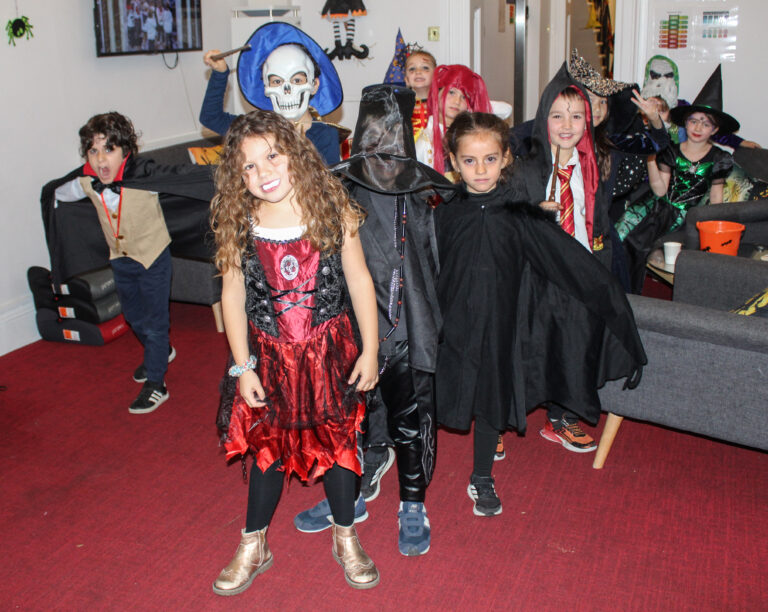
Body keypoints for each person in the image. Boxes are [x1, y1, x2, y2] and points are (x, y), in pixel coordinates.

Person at [435, 111, 646, 516]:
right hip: (451, 325)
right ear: (453, 161)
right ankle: (413, 478)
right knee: (437, 394)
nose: (481, 170)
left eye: (491, 159)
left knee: (491, 398)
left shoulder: (520, 216)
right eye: (470, 161)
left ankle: (481, 476)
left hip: (500, 326)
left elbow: (569, 264)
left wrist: (612, 303)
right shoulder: (443, 213)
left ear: (506, 159)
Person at [211, 110, 380, 594]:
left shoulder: (331, 204)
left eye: (272, 156)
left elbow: (359, 279)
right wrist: (242, 364)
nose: (262, 173)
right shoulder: (238, 217)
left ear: (295, 154)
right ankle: (254, 541)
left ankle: (345, 535)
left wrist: (369, 349)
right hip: (267, 355)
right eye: (247, 166)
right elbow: (233, 294)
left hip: (328, 351)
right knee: (266, 446)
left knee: (338, 444)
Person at [293, 84, 451, 556]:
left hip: (404, 327)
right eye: (373, 131)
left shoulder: (423, 193)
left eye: (391, 132)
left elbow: (436, 262)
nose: (381, 142)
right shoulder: (338, 188)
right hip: (348, 327)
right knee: (349, 421)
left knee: (409, 420)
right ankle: (352, 496)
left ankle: (413, 504)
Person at [50, 112, 214, 414]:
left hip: (153, 258)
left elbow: (183, 177)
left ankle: (156, 383)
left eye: (109, 149)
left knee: (154, 323)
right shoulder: (87, 182)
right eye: (94, 150)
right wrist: (51, 198)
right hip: (120, 259)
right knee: (132, 315)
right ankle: (162, 352)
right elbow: (58, 193)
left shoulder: (145, 177)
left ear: (125, 151)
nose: (101, 159)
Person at [511, 62, 615, 452]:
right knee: (532, 343)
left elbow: (597, 221)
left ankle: (562, 415)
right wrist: (534, 213)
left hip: (582, 266)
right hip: (537, 275)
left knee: (576, 342)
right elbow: (508, 223)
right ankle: (502, 420)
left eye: (576, 115)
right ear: (543, 119)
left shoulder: (589, 168)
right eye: (557, 116)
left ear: (588, 121)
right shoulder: (525, 170)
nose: (567, 124)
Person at [616, 66, 736, 289]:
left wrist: (713, 229)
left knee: (647, 246)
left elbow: (716, 198)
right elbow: (661, 190)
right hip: (657, 206)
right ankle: (620, 290)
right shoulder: (670, 150)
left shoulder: (719, 157)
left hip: (687, 216)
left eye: (706, 123)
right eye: (693, 121)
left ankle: (637, 295)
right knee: (622, 235)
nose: (698, 127)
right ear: (685, 122)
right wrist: (651, 157)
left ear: (714, 129)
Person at [200, 22, 344, 165]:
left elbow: (328, 184)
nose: (286, 90)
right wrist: (219, 74)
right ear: (266, 87)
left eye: (297, 80)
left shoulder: (325, 135)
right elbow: (211, 118)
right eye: (277, 82)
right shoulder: (256, 128)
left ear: (314, 85)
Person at [415, 64, 492, 174]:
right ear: (436, 93)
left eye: (464, 97)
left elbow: (506, 109)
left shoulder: (468, 134)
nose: (457, 101)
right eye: (451, 92)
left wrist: (477, 105)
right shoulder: (425, 142)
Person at [403, 49, 437, 141]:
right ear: (406, 80)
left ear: (436, 76)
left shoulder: (441, 104)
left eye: (425, 68)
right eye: (412, 69)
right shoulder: (401, 105)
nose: (418, 71)